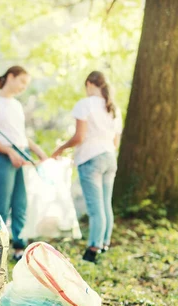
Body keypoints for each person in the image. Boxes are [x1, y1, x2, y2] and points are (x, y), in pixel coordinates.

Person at [51, 71, 122, 263]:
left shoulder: (85, 105)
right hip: (109, 157)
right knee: (106, 204)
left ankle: (93, 249)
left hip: (91, 159)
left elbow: (79, 137)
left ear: (89, 84)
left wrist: (60, 149)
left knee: (95, 207)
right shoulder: (113, 108)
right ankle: (104, 243)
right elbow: (115, 141)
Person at [0, 66, 48, 261]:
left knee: (21, 204)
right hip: (3, 158)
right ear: (10, 77)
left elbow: (20, 136)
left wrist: (39, 153)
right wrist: (9, 151)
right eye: (22, 82)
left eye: (26, 85)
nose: (23, 87)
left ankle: (19, 249)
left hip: (22, 157)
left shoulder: (17, 105)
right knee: (2, 206)